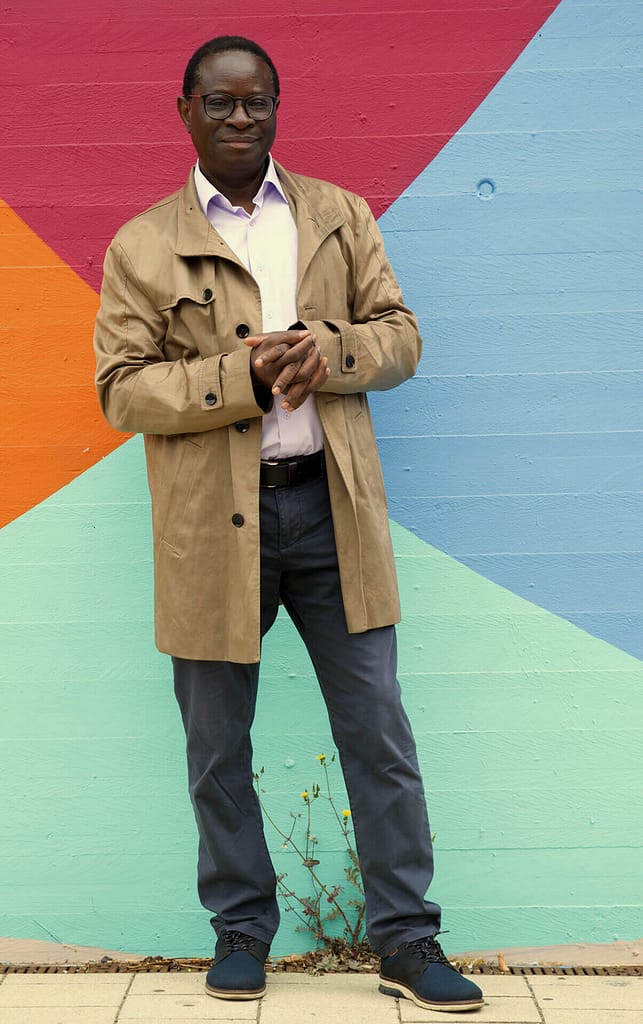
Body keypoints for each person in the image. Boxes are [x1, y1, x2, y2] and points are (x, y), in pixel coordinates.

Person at [93, 35, 483, 1014]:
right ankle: (240, 933)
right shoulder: (142, 245)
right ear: (182, 109)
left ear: (277, 107)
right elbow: (122, 392)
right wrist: (244, 377)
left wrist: (331, 349)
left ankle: (405, 939)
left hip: (330, 508)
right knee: (217, 745)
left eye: (255, 103)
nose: (239, 120)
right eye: (219, 104)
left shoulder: (337, 218)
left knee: (378, 735)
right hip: (209, 527)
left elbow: (401, 336)